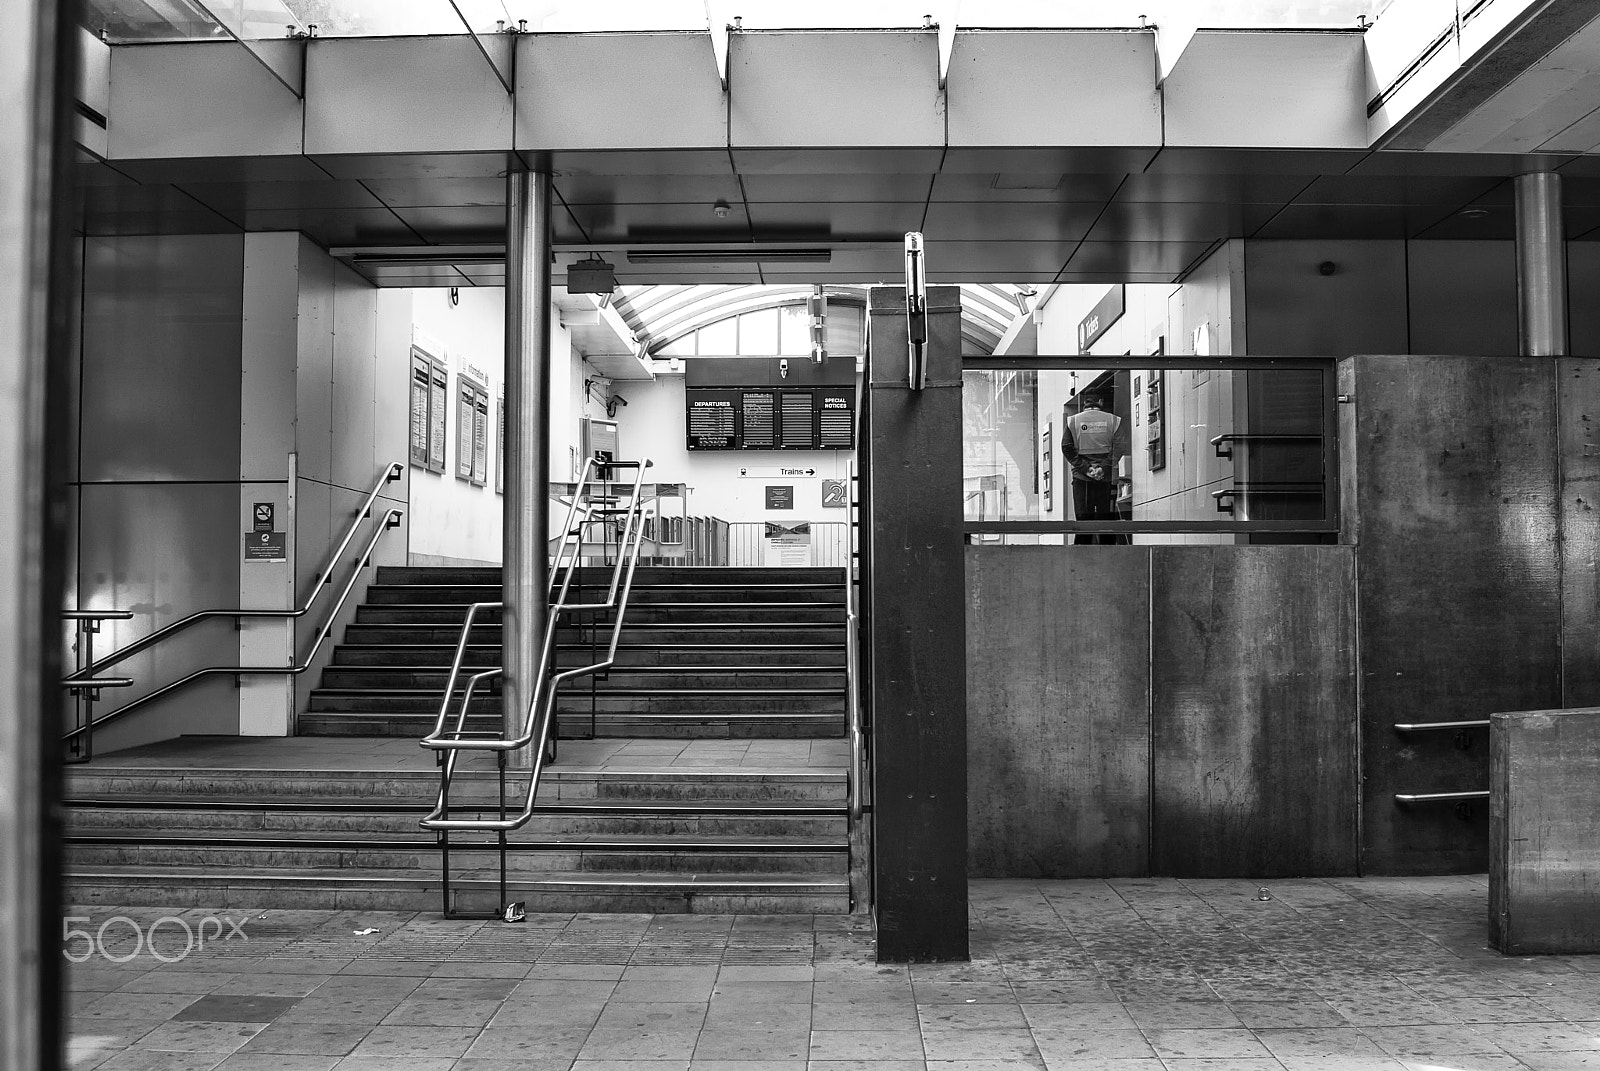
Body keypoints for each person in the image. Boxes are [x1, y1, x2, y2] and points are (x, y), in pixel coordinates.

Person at [1063, 392, 1127, 545]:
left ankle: (1081, 560)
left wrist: (1086, 469)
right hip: (1106, 480)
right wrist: (1103, 468)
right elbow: (1119, 447)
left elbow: (1066, 447)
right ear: (1100, 401)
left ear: (1085, 403)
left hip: (1082, 479)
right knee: (1107, 523)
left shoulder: (1073, 421)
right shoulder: (1113, 420)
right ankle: (1108, 557)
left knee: (1083, 523)